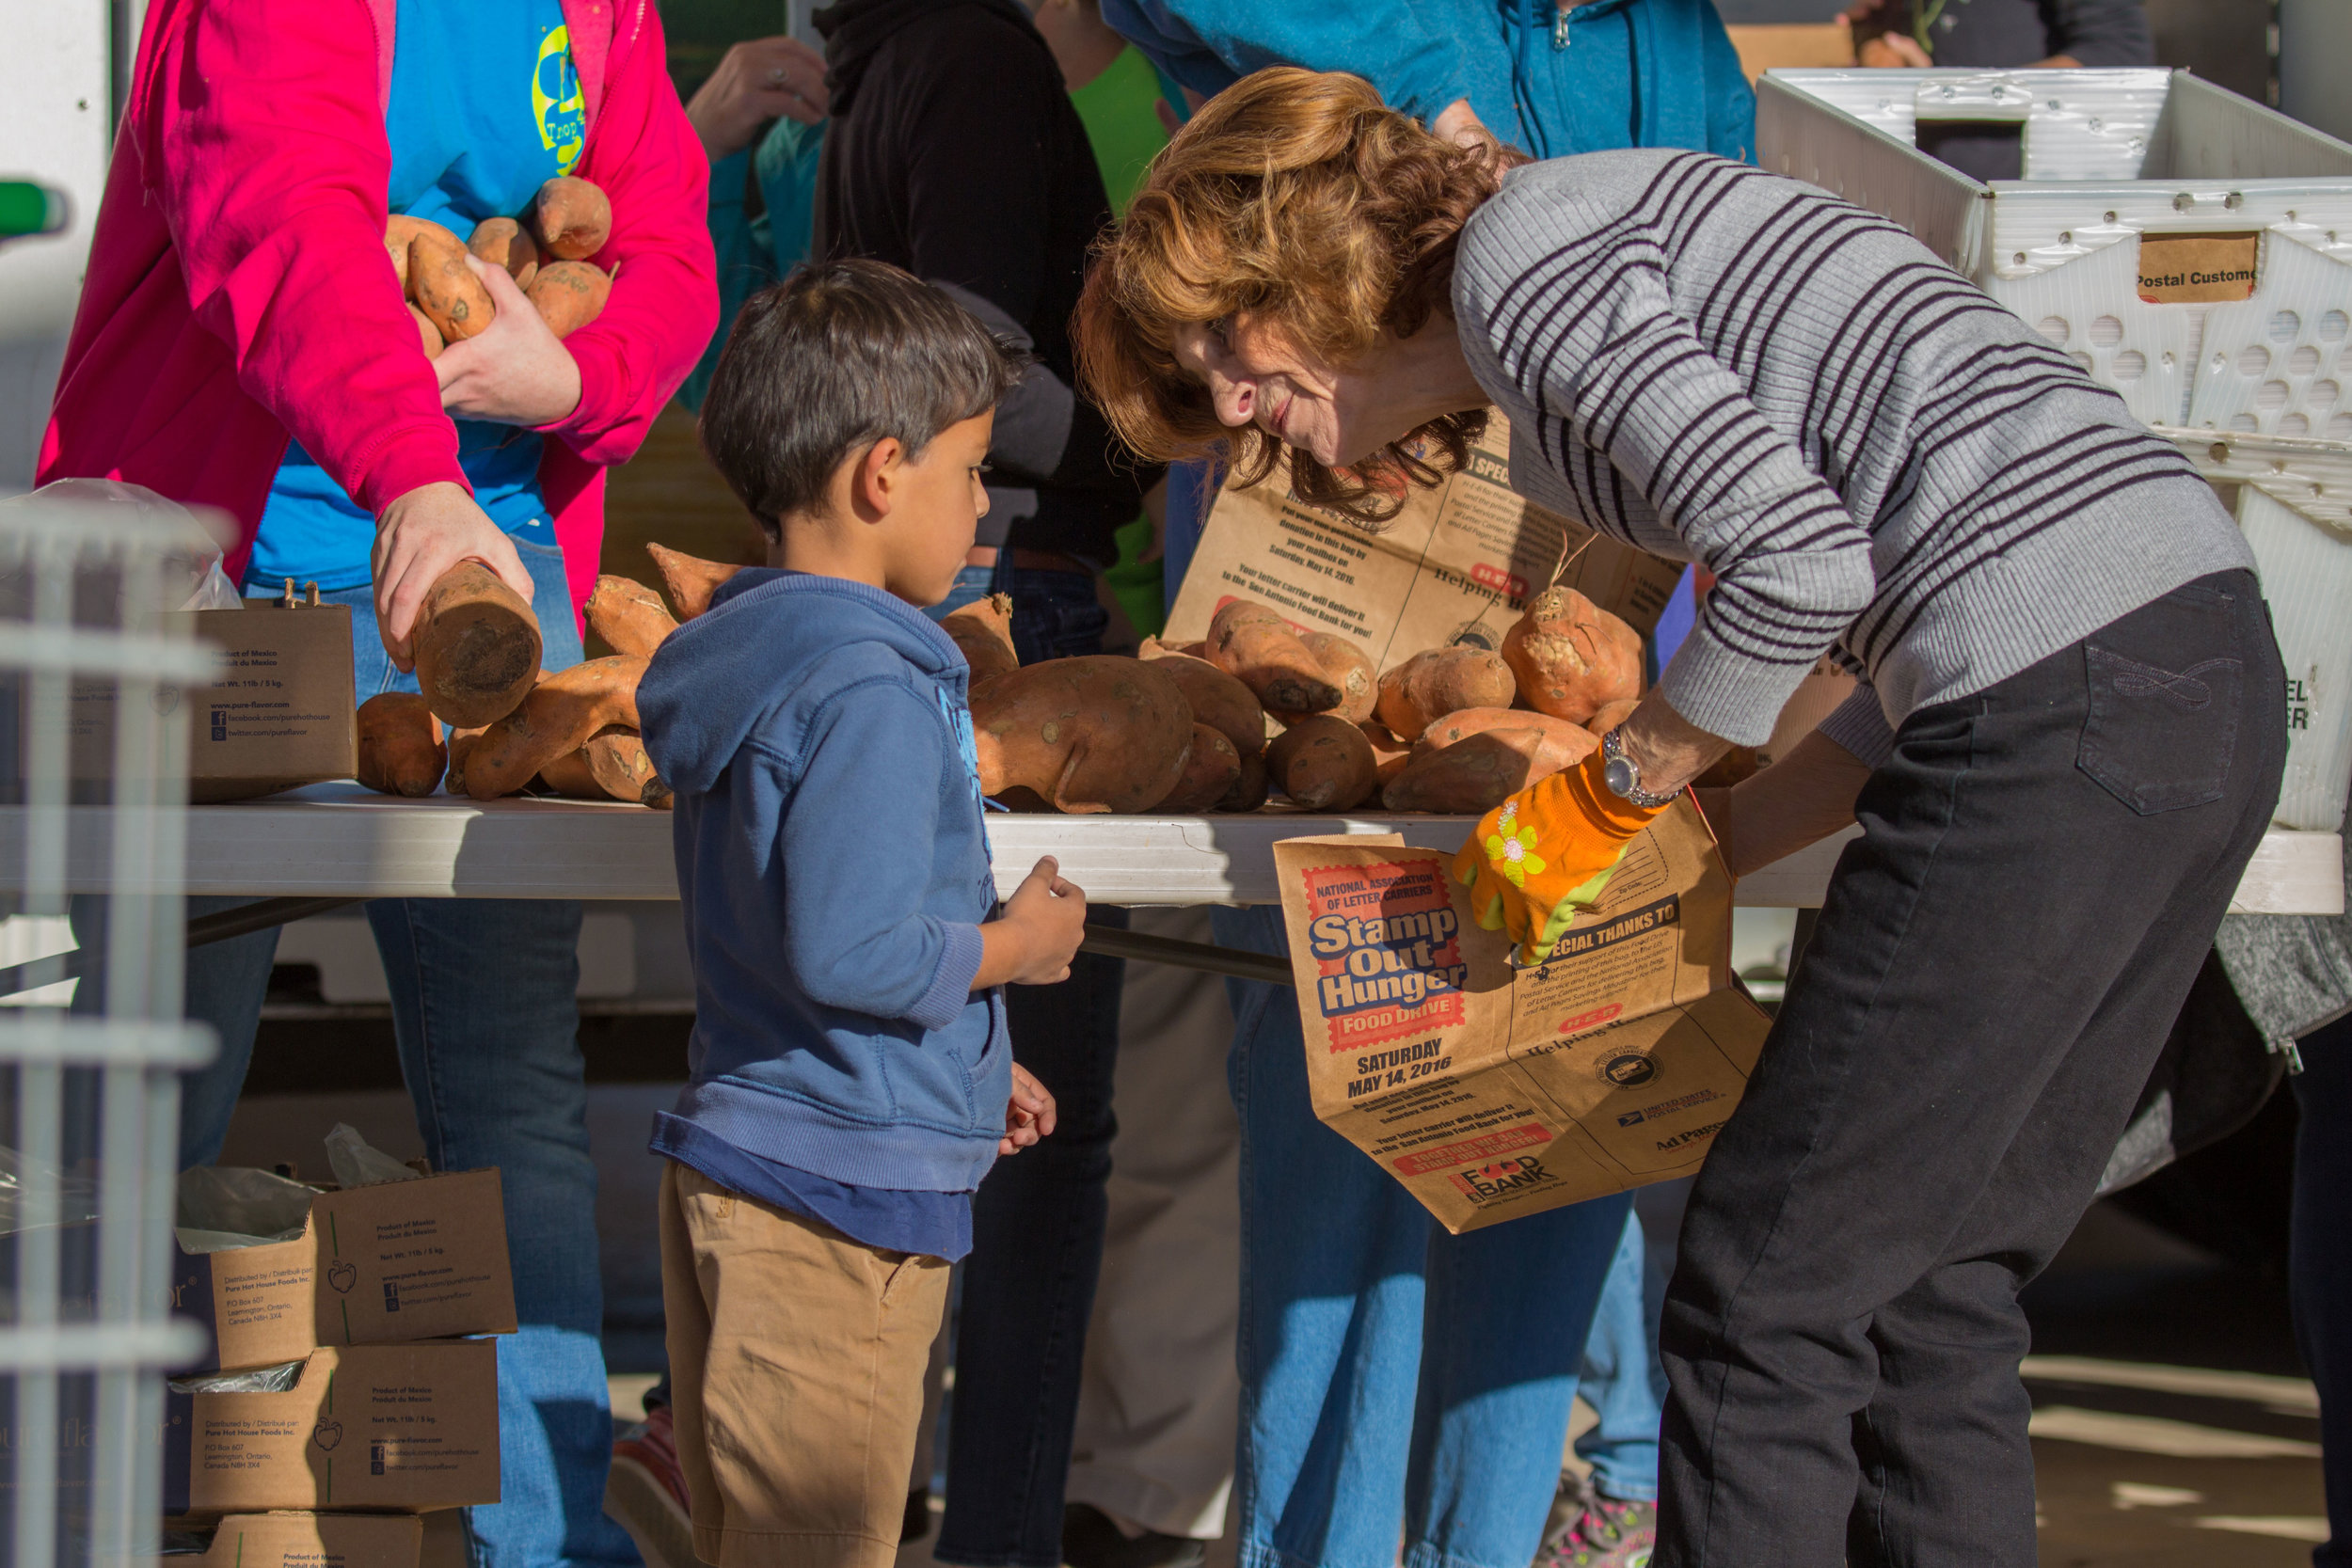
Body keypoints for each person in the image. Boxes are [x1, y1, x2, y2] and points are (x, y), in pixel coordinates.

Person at [1073, 68, 2284, 1567]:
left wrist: (1608, 794)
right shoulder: (1574, 240)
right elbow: (1924, 624)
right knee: (1931, 1283)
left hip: (2060, 697)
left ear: (1311, 270)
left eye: (1228, 352)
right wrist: (1704, 845)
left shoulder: (1526, 262)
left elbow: (1800, 572)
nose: (1241, 406)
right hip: (2192, 666)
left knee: (1766, 1291)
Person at [39, 4, 715, 1566]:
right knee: (140, 1097)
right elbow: (274, 210)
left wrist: (578, 371)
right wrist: (410, 474)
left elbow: (667, 241)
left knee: (510, 1096)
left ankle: (541, 1540)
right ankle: (86, 1516)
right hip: (205, 598)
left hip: (491, 599)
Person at [634, 258, 1088, 1568]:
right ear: (883, 475)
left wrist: (968, 1064)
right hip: (835, 1210)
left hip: (759, 1155)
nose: (985, 503)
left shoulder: (764, 657)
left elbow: (803, 937)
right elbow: (859, 945)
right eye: (973, 469)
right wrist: (1021, 947)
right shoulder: (870, 687)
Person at [805, 8, 1162, 1568]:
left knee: (911, 1096)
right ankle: (992, 1538)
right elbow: (941, 376)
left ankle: (871, 1520)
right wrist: (1161, 417)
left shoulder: (881, 60)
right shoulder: (974, 61)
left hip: (949, 594)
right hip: (1008, 605)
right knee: (1034, 1124)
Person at [1841, 0, 2154, 181]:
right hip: (1924, 186)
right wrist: (1878, 33)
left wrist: (1942, 96)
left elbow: (2119, 55)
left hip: (2017, 208)